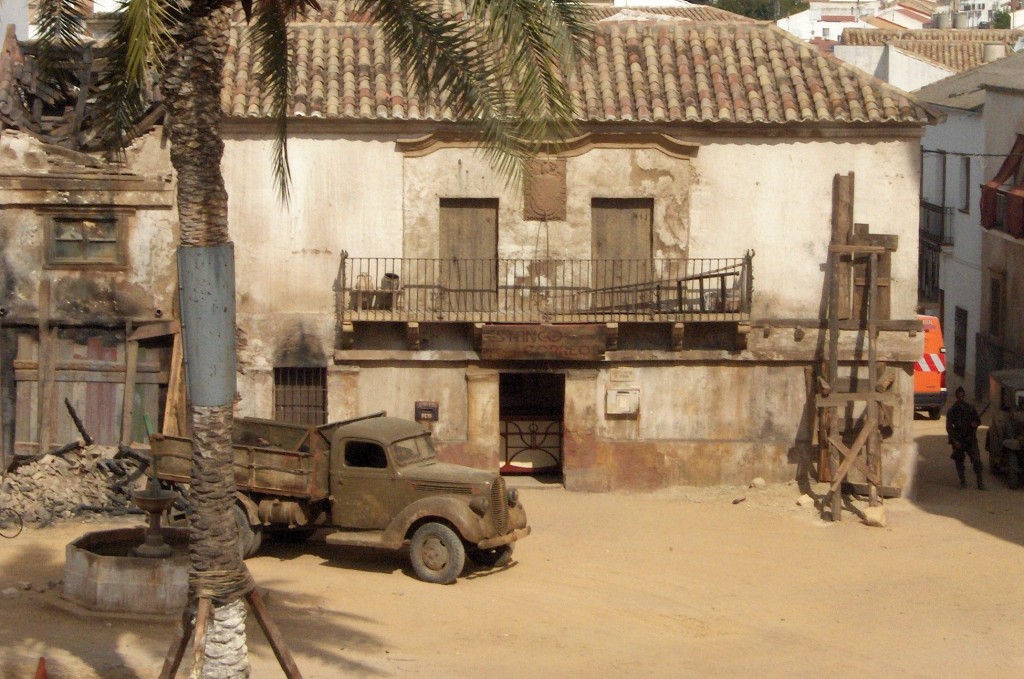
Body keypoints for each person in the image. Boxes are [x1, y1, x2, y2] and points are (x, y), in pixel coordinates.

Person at [946, 387, 984, 490]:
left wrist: (974, 424)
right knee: (959, 462)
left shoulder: (970, 408)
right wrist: (954, 441)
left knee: (976, 461)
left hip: (970, 439)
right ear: (956, 397)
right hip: (959, 439)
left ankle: (980, 483)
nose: (960, 398)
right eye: (959, 397)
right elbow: (949, 428)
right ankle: (962, 482)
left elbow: (978, 420)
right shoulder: (952, 411)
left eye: (962, 396)